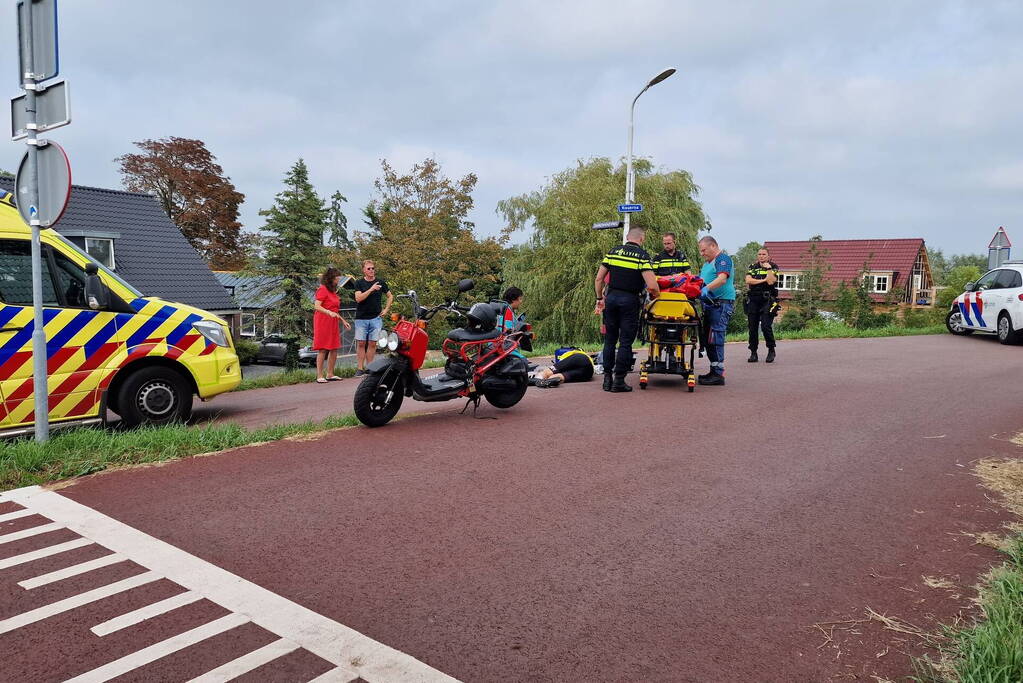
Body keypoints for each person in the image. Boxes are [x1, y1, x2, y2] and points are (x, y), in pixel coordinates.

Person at [594, 225, 659, 393]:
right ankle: (619, 381)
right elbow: (652, 285)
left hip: (612, 298)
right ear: (641, 239)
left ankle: (607, 379)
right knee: (625, 342)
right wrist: (655, 296)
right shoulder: (642, 256)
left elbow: (599, 279)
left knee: (609, 340)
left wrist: (600, 298)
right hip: (630, 301)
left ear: (627, 238)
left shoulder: (613, 252)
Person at [696, 235, 736, 386]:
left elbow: (722, 279)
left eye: (704, 250)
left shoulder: (722, 259)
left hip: (721, 304)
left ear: (713, 246)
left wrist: (706, 288)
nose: (702, 253)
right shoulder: (708, 263)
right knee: (708, 339)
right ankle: (713, 370)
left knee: (716, 337)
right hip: (710, 304)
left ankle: (718, 374)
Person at [312, 267, 352, 383]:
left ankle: (330, 374)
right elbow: (317, 306)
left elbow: (335, 310)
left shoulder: (333, 291)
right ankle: (319, 375)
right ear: (331, 278)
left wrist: (343, 321)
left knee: (334, 348)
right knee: (323, 349)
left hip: (333, 322)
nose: (338, 279)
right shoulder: (322, 289)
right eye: (336, 277)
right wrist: (328, 312)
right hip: (323, 321)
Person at [353, 259, 392, 376]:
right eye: (368, 268)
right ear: (363, 270)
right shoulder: (359, 283)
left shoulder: (380, 282)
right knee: (361, 343)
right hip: (361, 318)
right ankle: (360, 368)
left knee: (372, 343)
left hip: (376, 318)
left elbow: (390, 296)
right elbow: (358, 298)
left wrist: (386, 309)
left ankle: (370, 367)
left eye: (373, 268)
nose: (371, 270)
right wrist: (371, 289)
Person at [744, 247, 779, 363]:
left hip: (767, 300)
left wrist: (768, 270)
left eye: (764, 254)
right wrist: (763, 280)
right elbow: (748, 280)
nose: (761, 256)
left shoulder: (773, 267)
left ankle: (771, 350)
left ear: (768, 256)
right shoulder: (752, 267)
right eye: (759, 254)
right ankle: (753, 352)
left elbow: (771, 281)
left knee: (765, 326)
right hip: (753, 299)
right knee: (752, 328)